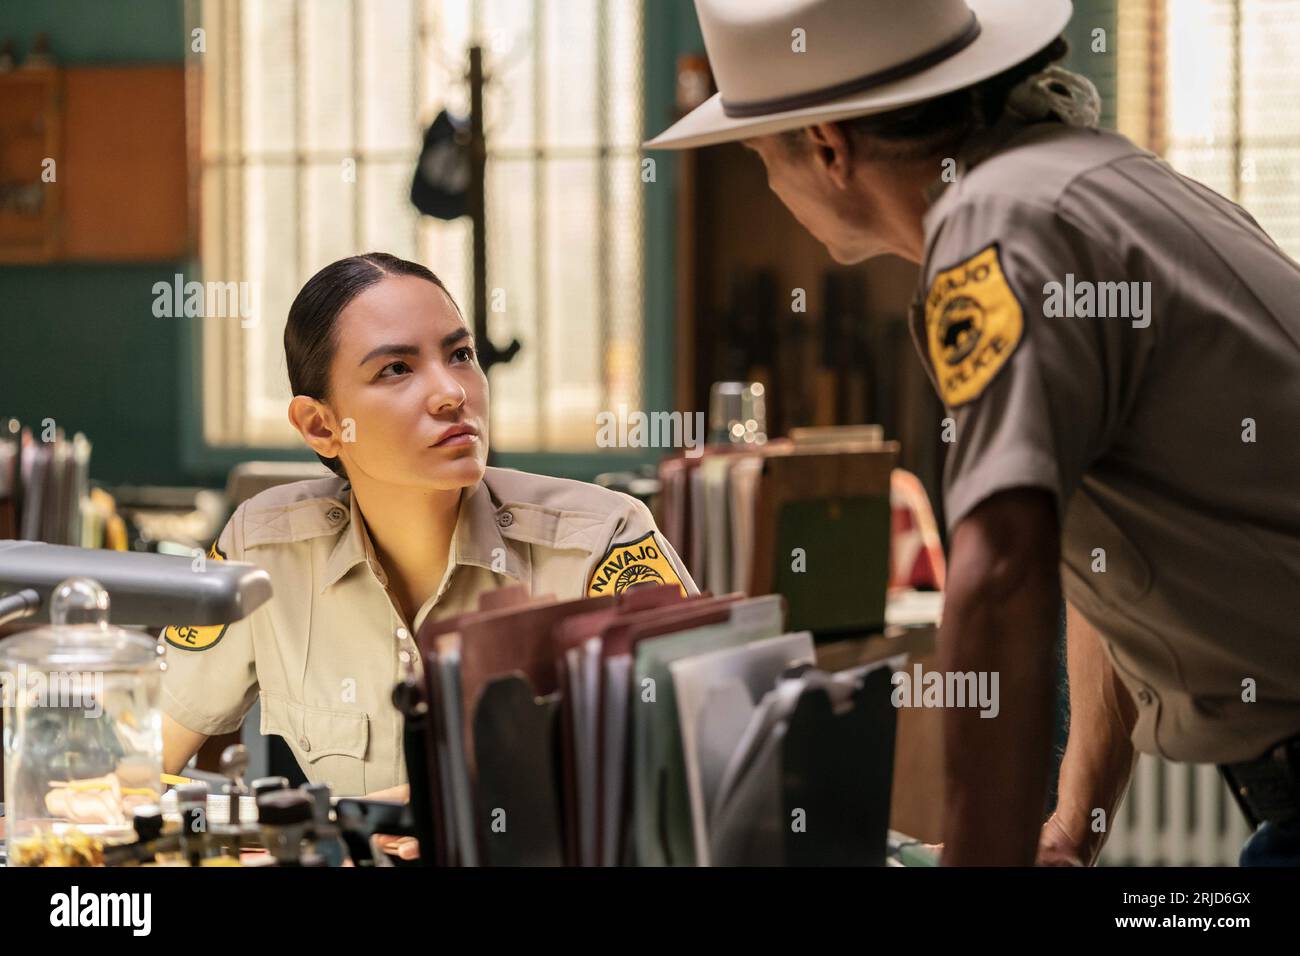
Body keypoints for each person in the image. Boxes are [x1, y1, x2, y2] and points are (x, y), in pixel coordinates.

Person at [648, 0, 1300, 865]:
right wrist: (1074, 823)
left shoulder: (995, 230)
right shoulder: (1093, 179)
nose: (771, 183)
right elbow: (1093, 556)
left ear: (829, 147)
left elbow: (1002, 571)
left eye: (762, 155)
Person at [160, 253, 697, 811]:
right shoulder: (263, 550)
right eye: (396, 368)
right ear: (321, 425)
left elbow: (687, 763)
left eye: (460, 355)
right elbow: (139, 748)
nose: (451, 393)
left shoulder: (598, 543)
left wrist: (418, 808)